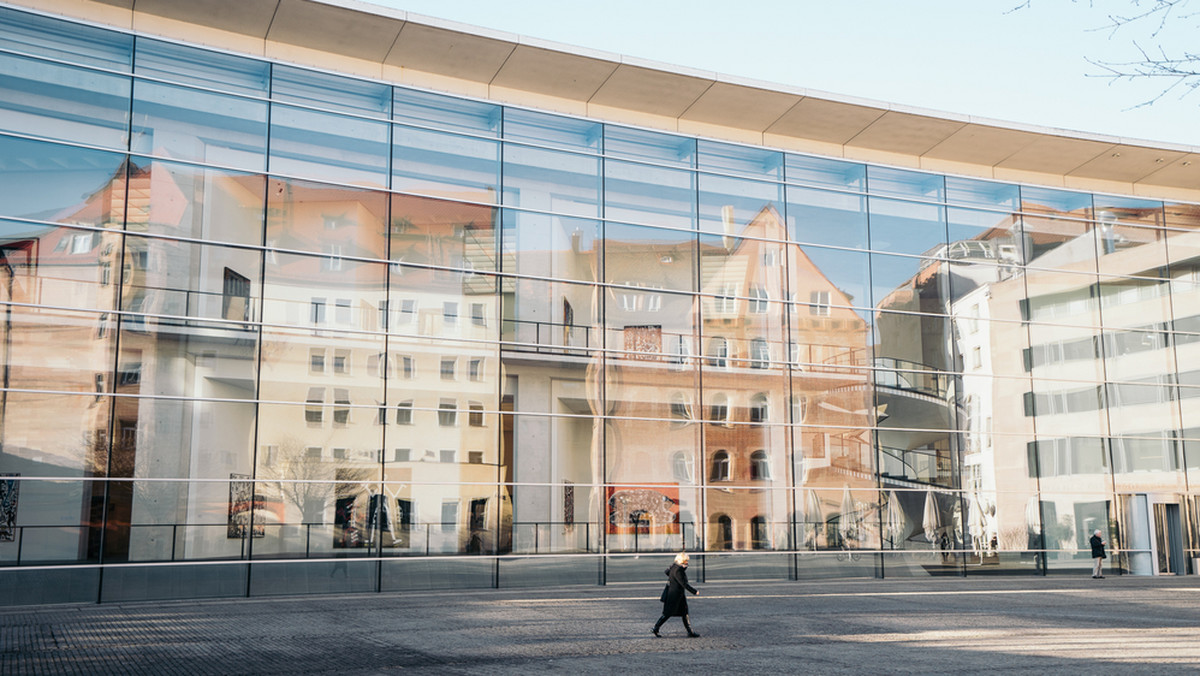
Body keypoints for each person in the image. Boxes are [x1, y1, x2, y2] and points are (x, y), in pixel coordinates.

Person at [652, 552, 700, 638]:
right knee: (667, 613)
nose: (687, 563)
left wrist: (681, 567)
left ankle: (690, 631)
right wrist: (694, 591)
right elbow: (683, 584)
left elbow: (667, 572)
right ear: (682, 561)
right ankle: (656, 628)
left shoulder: (674, 567)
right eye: (686, 561)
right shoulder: (678, 570)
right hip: (674, 596)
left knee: (684, 613)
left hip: (677, 595)